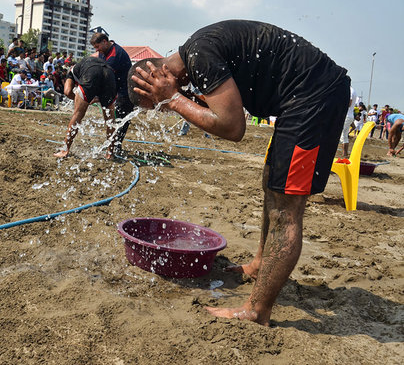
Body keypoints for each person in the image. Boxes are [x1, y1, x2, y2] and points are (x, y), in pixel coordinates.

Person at [128, 20, 349, 326]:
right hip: (300, 99)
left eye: (157, 102)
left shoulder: (200, 56)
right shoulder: (196, 57)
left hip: (314, 97)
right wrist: (177, 98)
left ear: (159, 76)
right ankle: (259, 264)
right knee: (272, 182)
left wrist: (175, 98)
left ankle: (256, 311)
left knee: (287, 210)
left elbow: (233, 127)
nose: (163, 110)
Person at [54, 57, 118, 159]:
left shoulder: (71, 72)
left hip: (92, 73)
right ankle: (110, 153)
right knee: (110, 119)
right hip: (110, 74)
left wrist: (82, 101)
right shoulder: (84, 64)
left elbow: (67, 92)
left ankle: (64, 150)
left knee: (78, 114)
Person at [91, 32, 132, 154]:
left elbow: (105, 79)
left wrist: (96, 96)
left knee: (120, 121)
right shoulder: (104, 51)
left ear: (105, 42)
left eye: (97, 47)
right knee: (112, 120)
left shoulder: (115, 56)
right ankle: (112, 145)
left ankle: (115, 146)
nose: (97, 50)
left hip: (125, 92)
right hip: (116, 90)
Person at [339, 87, 357, 158]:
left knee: (342, 135)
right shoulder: (353, 90)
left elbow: (349, 103)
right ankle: (345, 153)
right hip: (349, 115)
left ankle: (344, 154)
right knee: (345, 135)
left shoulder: (349, 90)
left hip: (346, 115)